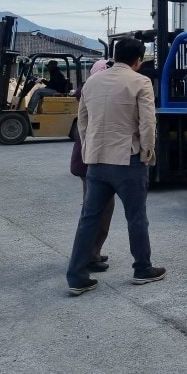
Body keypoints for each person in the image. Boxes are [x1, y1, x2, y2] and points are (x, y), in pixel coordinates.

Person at [65, 39, 163, 296]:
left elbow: (83, 122)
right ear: (138, 60)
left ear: (114, 55)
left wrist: (89, 151)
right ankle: (142, 268)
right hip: (128, 160)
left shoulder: (92, 82)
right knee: (136, 217)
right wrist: (148, 152)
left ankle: (77, 276)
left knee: (89, 218)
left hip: (96, 161)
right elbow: (148, 123)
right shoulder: (140, 82)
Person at [69, 58, 115, 272]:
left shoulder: (88, 92)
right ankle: (87, 257)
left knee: (98, 210)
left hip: (90, 160)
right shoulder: (92, 93)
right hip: (91, 161)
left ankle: (92, 252)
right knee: (97, 210)